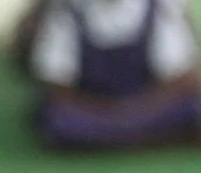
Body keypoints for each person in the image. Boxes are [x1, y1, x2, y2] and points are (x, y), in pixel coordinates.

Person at [29, 0, 201, 149]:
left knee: (191, 108)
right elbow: (56, 84)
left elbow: (182, 77)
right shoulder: (68, 8)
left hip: (150, 106)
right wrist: (110, 111)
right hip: (92, 109)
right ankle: (146, 138)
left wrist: (133, 110)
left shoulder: (159, 5)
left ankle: (107, 141)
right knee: (58, 118)